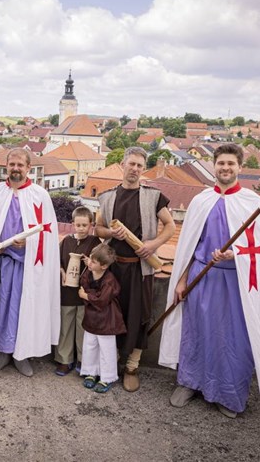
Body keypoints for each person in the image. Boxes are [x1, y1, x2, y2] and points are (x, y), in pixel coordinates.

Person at [159, 144, 260, 418]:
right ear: (214, 165)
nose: (225, 168)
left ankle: (227, 393)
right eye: (221, 163)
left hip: (235, 285)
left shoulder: (252, 205)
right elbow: (190, 245)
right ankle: (190, 383)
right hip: (201, 278)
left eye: (230, 164)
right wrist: (181, 280)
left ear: (239, 167)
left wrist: (234, 255)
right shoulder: (201, 201)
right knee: (197, 332)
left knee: (232, 340)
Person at [95, 146, 175, 392]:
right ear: (123, 164)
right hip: (114, 270)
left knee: (139, 317)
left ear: (143, 169)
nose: (135, 169)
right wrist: (111, 232)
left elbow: (170, 226)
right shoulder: (107, 197)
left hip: (141, 270)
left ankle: (132, 366)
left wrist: (153, 245)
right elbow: (98, 230)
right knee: (112, 316)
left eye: (140, 165)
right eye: (132, 164)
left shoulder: (153, 196)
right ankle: (110, 364)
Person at [0, 148, 60, 377]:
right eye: (12, 164)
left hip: (27, 266)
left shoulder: (40, 196)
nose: (15, 169)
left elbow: (47, 233)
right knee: (0, 309)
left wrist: (29, 245)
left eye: (20, 165)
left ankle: (21, 354)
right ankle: (1, 353)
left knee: (21, 310)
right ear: (6, 166)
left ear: (28, 168)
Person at [54, 206, 101, 376]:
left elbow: (101, 263)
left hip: (84, 293)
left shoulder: (95, 242)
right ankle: (64, 360)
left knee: (83, 328)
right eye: (78, 225)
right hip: (67, 291)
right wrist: (61, 270)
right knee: (65, 326)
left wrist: (90, 262)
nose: (81, 228)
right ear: (72, 224)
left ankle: (83, 359)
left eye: (85, 225)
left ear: (91, 225)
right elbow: (56, 260)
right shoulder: (66, 241)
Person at [79, 243, 124, 393]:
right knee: (90, 345)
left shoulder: (109, 280)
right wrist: (92, 295)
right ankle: (91, 372)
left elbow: (103, 299)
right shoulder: (88, 273)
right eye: (90, 259)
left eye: (93, 261)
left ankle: (107, 377)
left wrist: (87, 296)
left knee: (106, 348)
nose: (89, 263)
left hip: (107, 319)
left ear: (104, 266)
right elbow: (84, 284)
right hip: (92, 317)